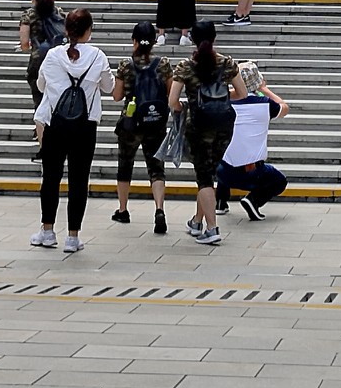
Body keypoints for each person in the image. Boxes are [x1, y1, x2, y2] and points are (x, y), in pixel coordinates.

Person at [31, 8, 113, 253]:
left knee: (51, 178)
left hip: (56, 124)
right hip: (85, 126)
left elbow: (41, 84)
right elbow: (108, 87)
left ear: (66, 30)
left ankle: (47, 230)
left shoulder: (54, 55)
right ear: (89, 30)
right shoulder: (98, 56)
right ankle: (73, 236)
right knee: (79, 180)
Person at [169, 21, 248, 246]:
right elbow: (241, 93)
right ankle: (197, 221)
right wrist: (222, 99)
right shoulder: (227, 63)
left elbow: (172, 101)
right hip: (224, 124)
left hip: (198, 125)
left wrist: (186, 107)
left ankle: (212, 228)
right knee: (209, 172)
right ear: (214, 38)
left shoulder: (185, 66)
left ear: (193, 39)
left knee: (203, 177)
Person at [111, 21, 171, 233]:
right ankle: (159, 209)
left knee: (125, 164)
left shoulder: (125, 65)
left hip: (131, 122)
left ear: (133, 40)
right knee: (156, 169)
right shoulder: (163, 64)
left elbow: (117, 96)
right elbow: (171, 94)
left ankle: (123, 209)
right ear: (154, 41)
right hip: (156, 123)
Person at [217, 66, 289, 220]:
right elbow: (284, 108)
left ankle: (220, 201)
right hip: (251, 174)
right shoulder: (264, 104)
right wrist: (265, 89)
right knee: (280, 181)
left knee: (226, 150)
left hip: (221, 171)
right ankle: (253, 200)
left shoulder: (224, 102)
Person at [18, 0, 66, 109]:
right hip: (59, 61)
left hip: (38, 62)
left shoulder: (29, 15)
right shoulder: (59, 12)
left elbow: (24, 43)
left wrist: (27, 47)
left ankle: (41, 127)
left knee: (40, 103)